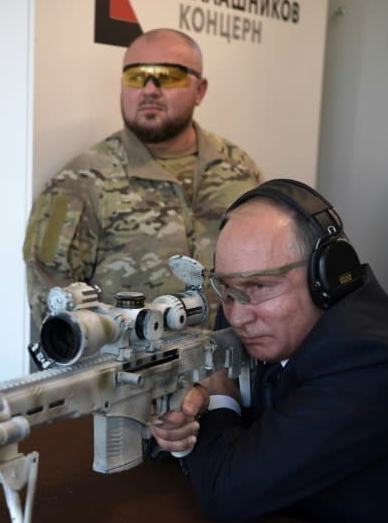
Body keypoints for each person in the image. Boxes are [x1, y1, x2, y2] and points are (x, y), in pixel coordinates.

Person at [150, 178, 388, 523]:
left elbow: (229, 491)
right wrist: (181, 422)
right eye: (226, 289)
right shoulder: (249, 311)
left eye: (261, 287)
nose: (237, 316)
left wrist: (218, 396)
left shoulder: (370, 361)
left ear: (324, 276)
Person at [23, 28, 263, 326]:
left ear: (200, 90)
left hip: (233, 366)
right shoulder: (80, 183)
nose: (150, 89)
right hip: (136, 369)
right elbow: (53, 311)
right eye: (136, 77)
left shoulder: (238, 168)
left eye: (168, 75)